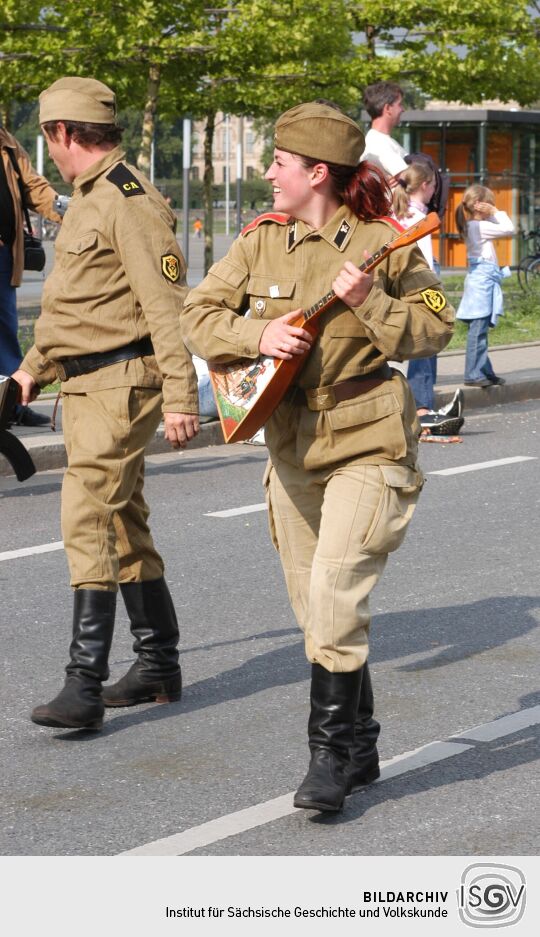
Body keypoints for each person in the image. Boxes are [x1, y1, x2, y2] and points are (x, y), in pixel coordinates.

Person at [181, 101, 454, 812]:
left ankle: (327, 759)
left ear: (317, 173)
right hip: (291, 442)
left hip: (369, 438)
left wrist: (370, 301)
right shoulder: (261, 241)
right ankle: (361, 740)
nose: (269, 173)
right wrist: (258, 334)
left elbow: (435, 330)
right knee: (314, 612)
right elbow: (197, 314)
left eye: (279, 163)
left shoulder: (386, 240)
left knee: (335, 597)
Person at [11, 77, 199, 731]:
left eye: (48, 140)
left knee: (85, 515)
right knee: (121, 523)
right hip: (86, 382)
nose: (49, 152)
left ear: (62, 133)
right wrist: (30, 372)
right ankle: (157, 665)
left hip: (124, 382)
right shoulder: (88, 200)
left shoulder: (127, 199)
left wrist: (182, 397)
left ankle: (82, 686)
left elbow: (168, 305)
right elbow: (76, 308)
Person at [393, 162, 464, 435]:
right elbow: (424, 266)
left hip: (401, 288)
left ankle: (416, 405)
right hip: (420, 289)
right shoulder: (418, 219)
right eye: (434, 185)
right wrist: (439, 302)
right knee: (429, 341)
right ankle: (422, 407)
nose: (436, 190)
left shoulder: (400, 212)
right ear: (426, 185)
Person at [0, 124, 62, 426]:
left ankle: (13, 405)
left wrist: (70, 209)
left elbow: (34, 187)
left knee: (6, 334)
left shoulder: (6, 141)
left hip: (3, 256)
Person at [455, 185, 514, 387]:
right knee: (478, 331)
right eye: (490, 203)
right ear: (480, 205)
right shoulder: (478, 226)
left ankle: (485, 371)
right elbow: (509, 228)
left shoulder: (475, 225)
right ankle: (473, 374)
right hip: (481, 284)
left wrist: (490, 213)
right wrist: (496, 212)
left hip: (481, 281)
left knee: (480, 331)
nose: (493, 207)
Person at [361, 81, 407, 184]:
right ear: (388, 109)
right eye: (400, 104)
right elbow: (412, 180)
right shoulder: (378, 143)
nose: (403, 109)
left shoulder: (381, 140)